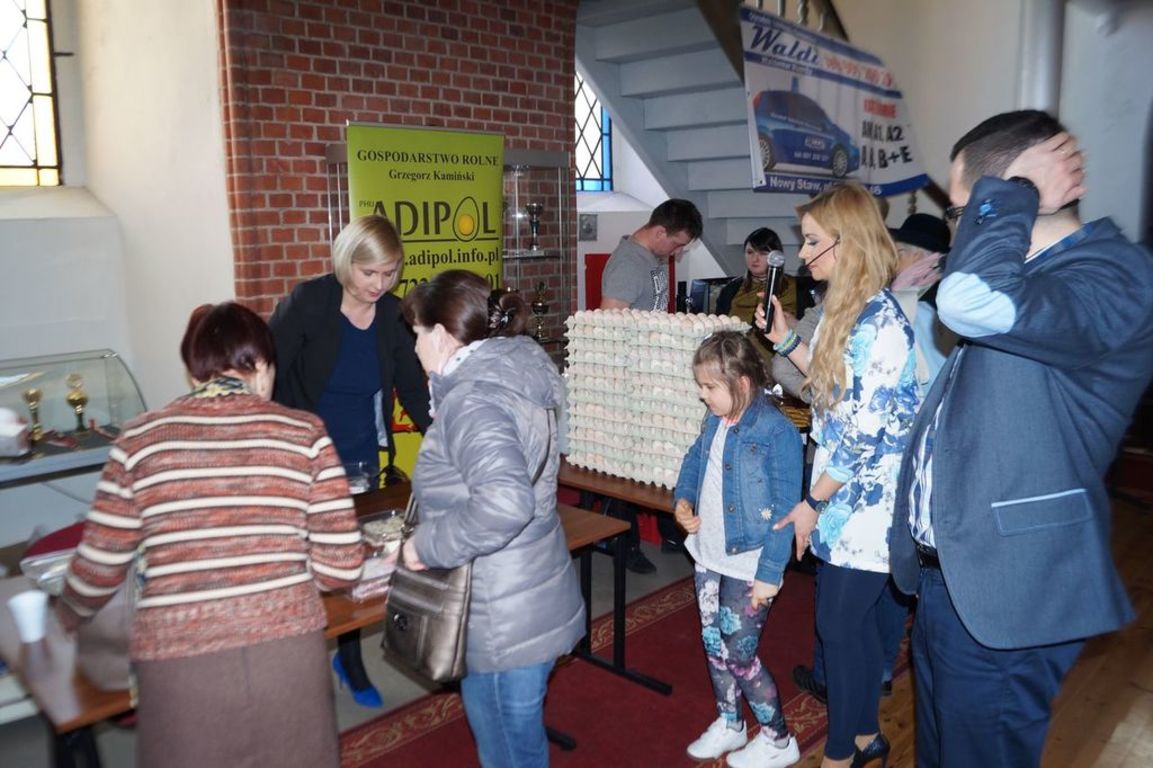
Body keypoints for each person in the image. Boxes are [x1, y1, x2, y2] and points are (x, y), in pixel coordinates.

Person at [891, 110, 1153, 767]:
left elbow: (967, 302)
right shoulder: (1032, 276)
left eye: (962, 210)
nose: (961, 229)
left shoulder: (1114, 271)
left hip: (1008, 585)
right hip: (958, 572)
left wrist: (1009, 195)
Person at [57, 302, 365, 768]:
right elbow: (341, 566)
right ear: (263, 367)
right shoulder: (305, 433)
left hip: (180, 664)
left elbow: (98, 569)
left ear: (194, 370)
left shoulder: (139, 440)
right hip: (287, 657)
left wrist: (64, 616)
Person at [759, 182, 920, 768]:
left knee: (839, 624)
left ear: (847, 244)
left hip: (866, 500)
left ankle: (838, 755)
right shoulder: (844, 309)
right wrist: (785, 341)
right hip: (842, 491)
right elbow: (830, 390)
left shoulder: (879, 323)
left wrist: (812, 504)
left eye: (812, 242)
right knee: (851, 625)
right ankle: (864, 735)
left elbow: (862, 434)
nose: (802, 254)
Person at [400, 270, 585, 768]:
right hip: (527, 586)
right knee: (520, 741)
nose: (414, 346)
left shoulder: (474, 398)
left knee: (508, 751)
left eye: (417, 333)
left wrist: (424, 546)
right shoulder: (514, 372)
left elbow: (505, 504)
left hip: (500, 612)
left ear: (442, 335)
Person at [269, 214, 431, 706]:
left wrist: (446, 437)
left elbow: (412, 388)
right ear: (346, 263)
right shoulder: (310, 302)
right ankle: (293, 656)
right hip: (305, 453)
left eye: (390, 273)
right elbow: (270, 372)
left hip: (360, 455)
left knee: (354, 559)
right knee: (300, 560)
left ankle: (350, 657)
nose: (380, 284)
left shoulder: (392, 315)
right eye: (369, 273)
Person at [673, 331, 803, 768]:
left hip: (751, 561)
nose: (702, 394)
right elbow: (695, 459)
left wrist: (770, 573)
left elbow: (786, 510)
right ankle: (731, 722)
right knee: (714, 642)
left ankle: (779, 740)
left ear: (742, 383)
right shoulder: (716, 417)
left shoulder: (777, 431)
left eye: (710, 386)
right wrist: (683, 499)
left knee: (740, 653)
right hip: (709, 552)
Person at [601, 198, 703, 573]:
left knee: (659, 457)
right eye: (677, 244)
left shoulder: (653, 257)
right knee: (627, 465)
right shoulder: (628, 264)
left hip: (653, 374)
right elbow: (609, 326)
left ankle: (670, 531)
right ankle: (622, 541)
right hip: (630, 379)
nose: (677, 252)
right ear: (660, 232)